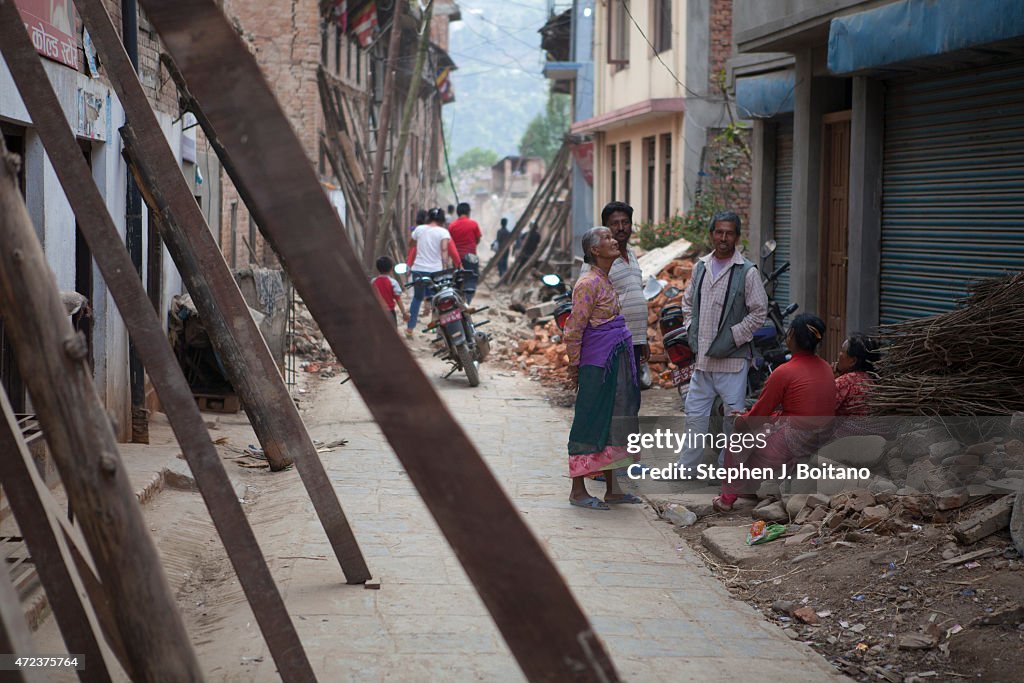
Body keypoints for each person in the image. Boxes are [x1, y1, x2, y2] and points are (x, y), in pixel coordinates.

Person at [714, 314, 836, 511]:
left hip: (792, 441)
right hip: (821, 438)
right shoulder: (826, 368)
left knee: (736, 442)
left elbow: (755, 418)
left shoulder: (784, 372)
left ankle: (726, 499)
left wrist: (739, 420)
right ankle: (748, 488)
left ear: (792, 336)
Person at [676, 211, 768, 470]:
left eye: (729, 233)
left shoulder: (747, 272)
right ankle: (687, 468)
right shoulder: (700, 267)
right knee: (695, 416)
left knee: (732, 420)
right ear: (712, 234)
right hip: (702, 361)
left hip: (731, 363)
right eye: (719, 232)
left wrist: (733, 337)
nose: (723, 238)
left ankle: (726, 471)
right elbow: (687, 304)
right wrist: (691, 328)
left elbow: (759, 311)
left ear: (737, 237)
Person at [563, 227, 642, 510]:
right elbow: (574, 329)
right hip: (597, 364)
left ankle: (613, 489)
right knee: (590, 421)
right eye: (607, 238)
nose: (614, 241)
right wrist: (575, 366)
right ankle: (577, 490)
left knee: (615, 420)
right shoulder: (587, 283)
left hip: (614, 361)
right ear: (595, 250)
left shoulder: (606, 281)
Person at [582, 201, 649, 385]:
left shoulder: (631, 254)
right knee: (619, 399)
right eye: (615, 223)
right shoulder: (598, 260)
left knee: (631, 397)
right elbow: (585, 305)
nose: (621, 228)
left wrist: (643, 338)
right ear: (606, 227)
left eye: (625, 222)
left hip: (634, 339)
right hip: (613, 343)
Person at [405, 208, 453, 339]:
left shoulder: (419, 229)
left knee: (417, 298)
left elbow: (411, 244)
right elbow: (444, 249)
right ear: (442, 219)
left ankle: (410, 328)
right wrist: (445, 268)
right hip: (435, 271)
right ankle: (435, 331)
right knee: (436, 300)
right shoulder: (443, 232)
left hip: (418, 269)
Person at [833, 333, 879, 417]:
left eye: (842, 351)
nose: (839, 354)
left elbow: (819, 412)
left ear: (853, 361)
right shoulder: (872, 382)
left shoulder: (845, 382)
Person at [448, 202, 482, 304]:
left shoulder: (452, 225)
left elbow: (450, 242)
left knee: (457, 279)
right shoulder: (473, 224)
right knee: (472, 278)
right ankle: (467, 302)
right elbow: (478, 239)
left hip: (456, 257)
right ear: (468, 212)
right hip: (471, 255)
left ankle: (458, 302)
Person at [371, 256, 408, 326]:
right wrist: (404, 313)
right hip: (390, 312)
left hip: (377, 312)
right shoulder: (393, 282)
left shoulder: (373, 282)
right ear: (391, 269)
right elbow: (398, 299)